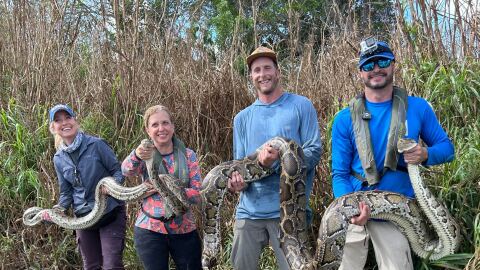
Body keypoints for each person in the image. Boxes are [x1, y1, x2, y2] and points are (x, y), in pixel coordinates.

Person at [331, 38, 455, 270]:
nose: (376, 69)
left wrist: (425, 154)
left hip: (397, 212)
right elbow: (339, 174)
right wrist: (351, 211)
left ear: (393, 64)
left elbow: (447, 149)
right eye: (368, 65)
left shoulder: (417, 108)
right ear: (360, 72)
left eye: (383, 62)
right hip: (356, 207)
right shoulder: (343, 119)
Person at [228, 46, 322, 270]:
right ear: (251, 76)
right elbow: (239, 166)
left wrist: (276, 162)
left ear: (278, 71)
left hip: (289, 215)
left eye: (267, 68)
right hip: (248, 212)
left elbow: (314, 151)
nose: (263, 74)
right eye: (256, 70)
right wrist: (238, 183)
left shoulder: (301, 105)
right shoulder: (242, 118)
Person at [121, 105, 202, 270]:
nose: (161, 128)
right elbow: (126, 170)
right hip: (149, 229)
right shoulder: (144, 154)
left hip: (184, 228)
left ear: (172, 126)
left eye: (165, 123)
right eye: (155, 125)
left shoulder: (188, 155)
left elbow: (198, 194)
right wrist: (136, 154)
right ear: (147, 130)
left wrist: (170, 187)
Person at [48, 104, 126, 270]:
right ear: (53, 127)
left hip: (110, 212)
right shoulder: (58, 158)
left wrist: (112, 187)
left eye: (68, 117)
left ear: (75, 120)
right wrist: (58, 209)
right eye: (58, 120)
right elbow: (66, 192)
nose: (64, 123)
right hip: (83, 218)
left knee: (112, 265)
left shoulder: (96, 144)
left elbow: (118, 171)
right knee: (91, 266)